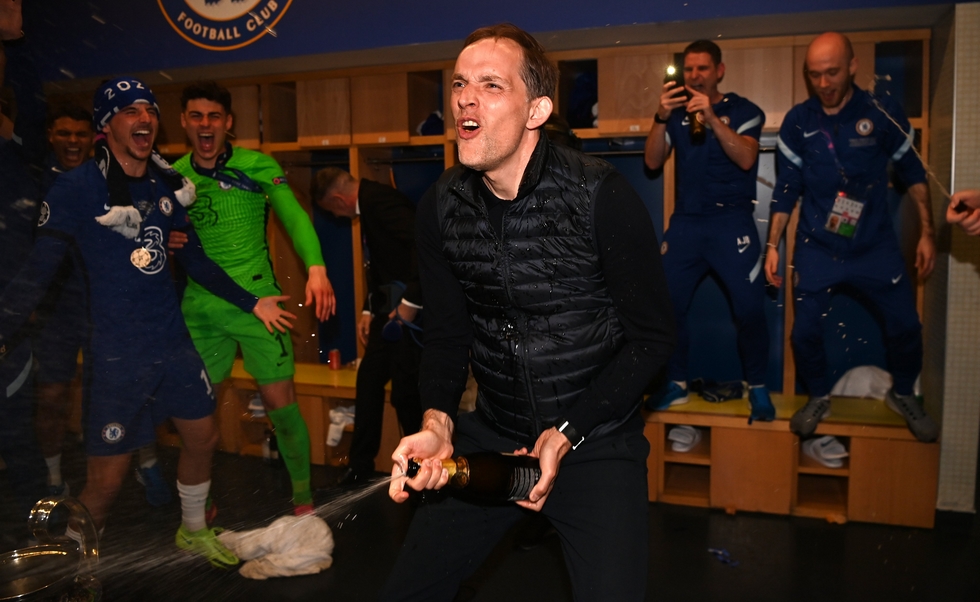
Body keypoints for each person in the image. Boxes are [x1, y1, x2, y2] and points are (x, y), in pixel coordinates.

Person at [382, 23, 675, 601]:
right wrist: (438, 422)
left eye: (491, 85)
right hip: (495, 433)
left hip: (594, 440)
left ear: (536, 109)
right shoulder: (441, 206)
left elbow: (653, 339)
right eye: (460, 84)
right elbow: (446, 335)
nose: (466, 98)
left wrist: (566, 432)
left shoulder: (600, 195)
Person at [0, 76, 295, 567]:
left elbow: (194, 259)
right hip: (117, 354)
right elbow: (37, 271)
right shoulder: (76, 187)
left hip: (171, 342)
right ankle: (72, 567)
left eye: (150, 110)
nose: (145, 118)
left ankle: (193, 530)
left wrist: (252, 302)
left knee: (203, 437)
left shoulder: (165, 184)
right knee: (106, 483)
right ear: (107, 124)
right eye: (130, 110)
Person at [764, 32, 938, 442]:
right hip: (817, 247)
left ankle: (902, 393)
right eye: (814, 75)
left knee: (906, 326)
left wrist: (928, 233)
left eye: (832, 72)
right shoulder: (798, 121)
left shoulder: (882, 112)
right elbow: (786, 189)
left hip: (874, 246)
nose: (824, 83)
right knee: (804, 332)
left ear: (853, 66)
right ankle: (818, 396)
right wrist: (772, 246)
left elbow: (913, 173)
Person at [172, 81, 336, 516]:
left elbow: (294, 216)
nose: (205, 125)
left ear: (227, 122)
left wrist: (316, 267)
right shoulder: (173, 177)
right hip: (202, 310)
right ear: (184, 122)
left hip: (263, 308)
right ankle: (199, 511)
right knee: (198, 417)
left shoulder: (257, 164)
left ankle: (303, 502)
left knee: (282, 406)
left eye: (214, 116)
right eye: (196, 116)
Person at [643, 39, 773, 422]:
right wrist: (660, 117)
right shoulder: (676, 114)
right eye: (689, 69)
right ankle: (677, 383)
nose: (695, 75)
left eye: (702, 68)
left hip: (731, 222)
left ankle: (758, 387)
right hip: (687, 222)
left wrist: (713, 117)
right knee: (666, 305)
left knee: (750, 308)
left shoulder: (744, 110)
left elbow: (747, 158)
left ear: (719, 71)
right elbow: (652, 162)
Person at [312, 168, 423, 486]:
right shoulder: (371, 203)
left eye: (332, 210)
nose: (337, 216)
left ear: (338, 200)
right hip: (386, 312)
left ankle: (419, 473)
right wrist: (367, 309)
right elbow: (381, 266)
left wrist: (411, 303)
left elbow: (425, 246)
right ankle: (360, 466)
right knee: (369, 381)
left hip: (411, 313)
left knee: (406, 395)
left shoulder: (382, 201)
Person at [0, 0, 50, 540]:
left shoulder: (20, 159)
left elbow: (36, 114)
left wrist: (13, 41)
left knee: (20, 448)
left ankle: (44, 543)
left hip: (7, 341)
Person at [30, 103, 94, 498]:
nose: (73, 141)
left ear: (92, 138)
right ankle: (53, 478)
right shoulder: (34, 181)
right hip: (54, 309)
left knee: (114, 393)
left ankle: (142, 464)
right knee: (52, 396)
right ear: (51, 136)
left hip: (100, 304)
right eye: (65, 133)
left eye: (81, 134)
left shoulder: (105, 180)